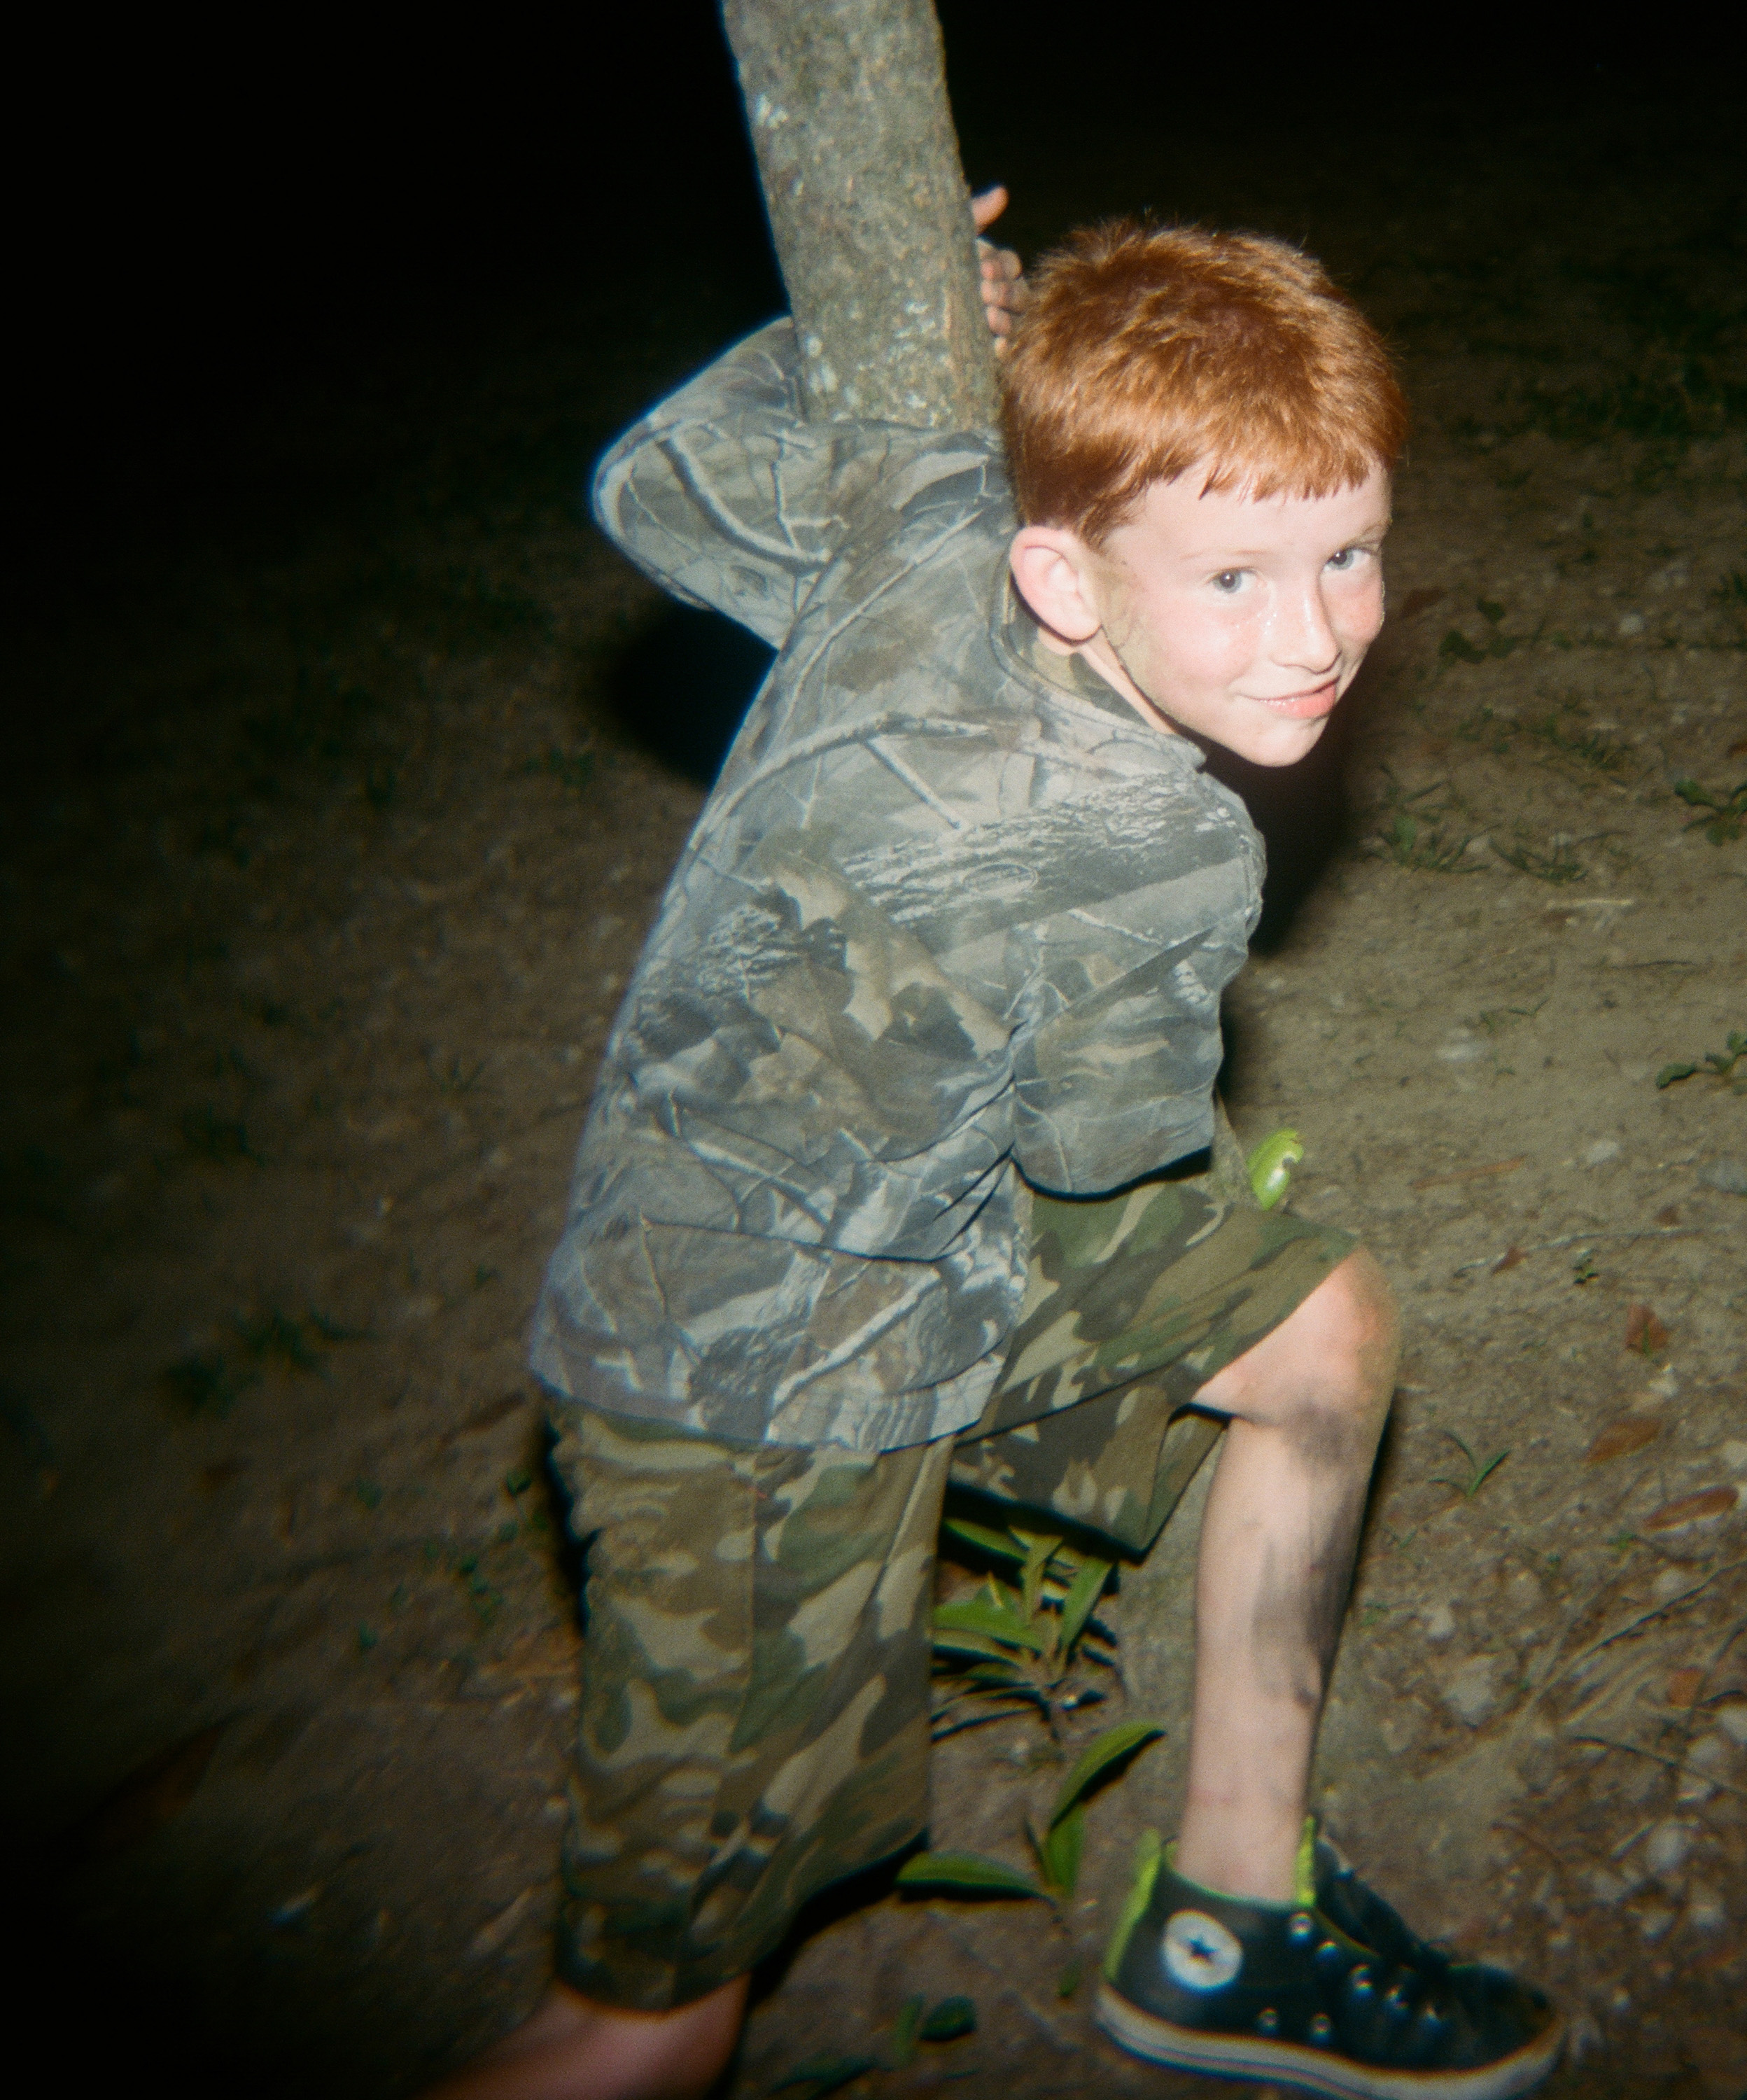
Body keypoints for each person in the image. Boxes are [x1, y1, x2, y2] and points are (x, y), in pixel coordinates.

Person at [429, 190, 1560, 2100]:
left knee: (1314, 1329)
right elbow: (1104, 1150)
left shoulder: (932, 515)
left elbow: (651, 488)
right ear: (1065, 577)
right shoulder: (1151, 840)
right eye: (1232, 577)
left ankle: (1230, 1921)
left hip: (814, 1235)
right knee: (645, 2028)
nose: (1314, 636)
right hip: (753, 1395)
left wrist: (853, 348)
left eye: (1348, 552)